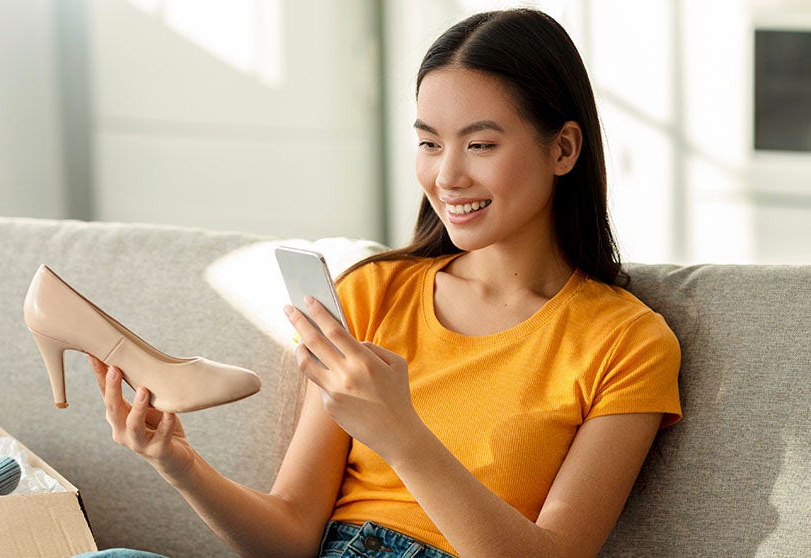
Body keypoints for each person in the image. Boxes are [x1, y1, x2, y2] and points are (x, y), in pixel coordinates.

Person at [88, 8, 681, 558]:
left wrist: (400, 434)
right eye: (428, 143)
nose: (446, 175)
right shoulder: (375, 293)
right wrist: (179, 463)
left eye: (480, 145)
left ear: (564, 148)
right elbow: (293, 531)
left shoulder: (625, 342)